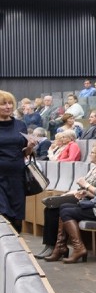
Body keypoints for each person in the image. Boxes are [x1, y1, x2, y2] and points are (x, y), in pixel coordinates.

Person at [0, 90, 34, 231]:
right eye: (3, 104)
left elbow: (25, 153)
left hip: (17, 175)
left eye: (10, 103)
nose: (8, 106)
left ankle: (16, 248)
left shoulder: (20, 125)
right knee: (3, 212)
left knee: (17, 216)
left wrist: (30, 146)